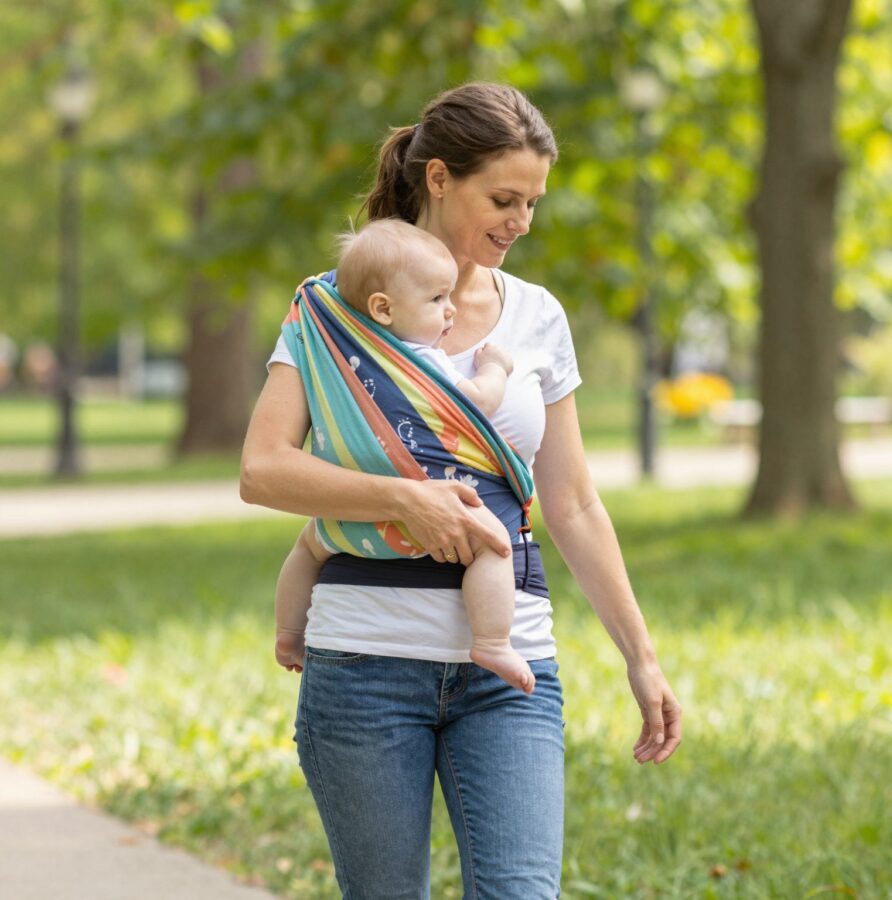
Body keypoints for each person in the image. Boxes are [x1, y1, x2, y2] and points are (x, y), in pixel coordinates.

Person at [240, 82, 682, 898]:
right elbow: (262, 469)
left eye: (534, 203)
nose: (521, 221)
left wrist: (641, 658)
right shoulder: (335, 307)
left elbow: (575, 502)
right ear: (439, 178)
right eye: (504, 198)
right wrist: (406, 500)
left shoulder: (537, 317)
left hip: (509, 667)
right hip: (366, 662)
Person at [274, 218, 535, 695]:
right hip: (426, 521)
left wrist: (292, 634)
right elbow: (477, 401)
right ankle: (493, 641)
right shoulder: (423, 360)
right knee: (496, 545)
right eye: (437, 300)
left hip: (348, 524)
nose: (451, 311)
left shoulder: (336, 355)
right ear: (384, 309)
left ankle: (289, 635)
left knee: (306, 548)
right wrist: (495, 368)